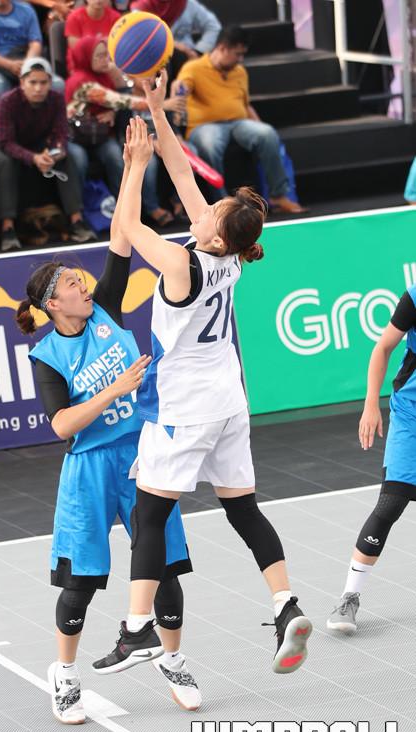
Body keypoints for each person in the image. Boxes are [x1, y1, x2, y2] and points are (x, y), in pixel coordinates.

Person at [92, 71, 312, 684]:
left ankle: (137, 628)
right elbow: (184, 170)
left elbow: (128, 230)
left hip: (184, 407)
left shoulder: (182, 262)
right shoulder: (230, 256)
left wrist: (133, 166)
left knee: (148, 516)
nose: (206, 204)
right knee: (243, 510)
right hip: (229, 402)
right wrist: (156, 110)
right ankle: (285, 604)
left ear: (215, 228)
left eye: (213, 208)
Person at [16, 141, 199, 723]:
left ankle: (173, 659)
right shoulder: (48, 357)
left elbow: (122, 234)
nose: (84, 285)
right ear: (53, 303)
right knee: (83, 580)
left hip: (142, 455)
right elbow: (61, 425)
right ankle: (64, 674)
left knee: (163, 566)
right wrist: (114, 390)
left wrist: (135, 167)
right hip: (89, 467)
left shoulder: (106, 309)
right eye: (73, 283)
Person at [327, 285, 416, 634]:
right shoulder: (415, 297)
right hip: (411, 414)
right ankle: (349, 597)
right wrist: (370, 405)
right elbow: (383, 347)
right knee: (391, 503)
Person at [174, 25, 305, 214]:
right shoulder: (193, 68)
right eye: (237, 54)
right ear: (222, 48)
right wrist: (180, 91)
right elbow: (180, 90)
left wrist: (261, 126)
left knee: (267, 133)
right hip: (204, 126)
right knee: (210, 144)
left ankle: (278, 196)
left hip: (238, 123)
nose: (240, 59)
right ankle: (222, 204)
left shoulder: (240, 72)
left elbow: (246, 105)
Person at [66, 35, 184, 225]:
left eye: (106, 55)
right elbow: (121, 100)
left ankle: (123, 211)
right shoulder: (81, 80)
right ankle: (77, 215)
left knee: (116, 157)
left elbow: (121, 92)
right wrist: (162, 104)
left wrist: (112, 111)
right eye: (99, 56)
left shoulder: (105, 75)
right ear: (85, 58)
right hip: (76, 137)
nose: (105, 60)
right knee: (78, 159)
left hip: (100, 135)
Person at [0, 57, 96, 250]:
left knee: (67, 157)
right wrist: (34, 158)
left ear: (50, 83)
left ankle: (76, 221)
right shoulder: (7, 101)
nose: (38, 88)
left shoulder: (56, 99)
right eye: (33, 82)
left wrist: (55, 153)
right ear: (22, 83)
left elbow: (61, 135)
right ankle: (7, 228)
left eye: (43, 83)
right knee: (7, 163)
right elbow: (6, 142)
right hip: (0, 147)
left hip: (37, 145)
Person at [0, 0, 61, 100]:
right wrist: (10, 65)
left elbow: (35, 43)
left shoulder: (26, 10)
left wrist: (27, 64)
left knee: (58, 85)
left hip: (26, 62)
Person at [64, 0, 120, 70]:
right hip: (82, 67)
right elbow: (77, 50)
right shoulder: (74, 18)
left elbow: (118, 47)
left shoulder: (115, 18)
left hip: (108, 64)